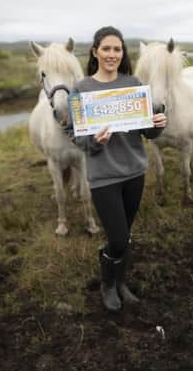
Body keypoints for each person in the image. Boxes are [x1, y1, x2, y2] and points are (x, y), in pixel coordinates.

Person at [63, 26, 167, 312]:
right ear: (95, 52)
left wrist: (159, 125)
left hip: (134, 172)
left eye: (117, 49)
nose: (112, 54)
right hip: (104, 176)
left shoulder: (133, 84)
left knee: (125, 235)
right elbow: (75, 134)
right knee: (118, 238)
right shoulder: (81, 90)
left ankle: (121, 283)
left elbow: (148, 132)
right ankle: (107, 284)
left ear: (123, 53)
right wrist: (94, 143)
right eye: (106, 48)